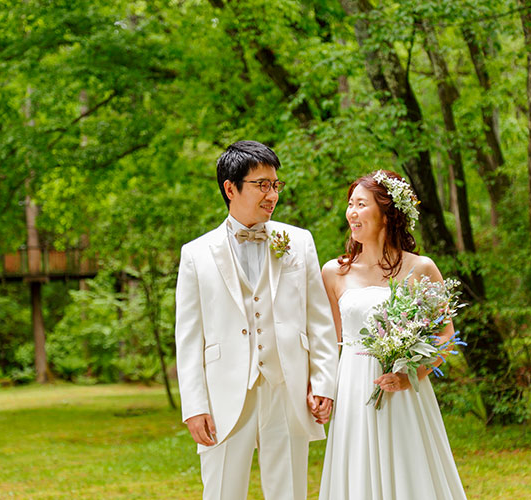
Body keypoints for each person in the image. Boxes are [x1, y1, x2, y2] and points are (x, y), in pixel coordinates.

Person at [175, 140, 339, 500]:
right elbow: (188, 339)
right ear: (230, 188)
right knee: (221, 491)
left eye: (275, 185)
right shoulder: (196, 254)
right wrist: (195, 406)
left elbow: (320, 321)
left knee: (289, 491)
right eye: (261, 184)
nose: (272, 194)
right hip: (223, 391)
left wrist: (324, 381)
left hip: (287, 384)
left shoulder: (299, 241)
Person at [318, 170, 467, 500]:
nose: (352, 213)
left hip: (404, 391)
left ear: (388, 213)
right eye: (350, 204)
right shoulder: (333, 272)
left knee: (410, 474)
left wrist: (412, 372)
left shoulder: (421, 268)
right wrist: (322, 390)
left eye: (361, 204)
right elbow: (329, 343)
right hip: (354, 390)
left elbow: (446, 334)